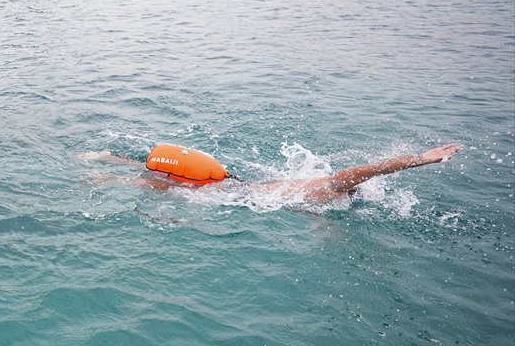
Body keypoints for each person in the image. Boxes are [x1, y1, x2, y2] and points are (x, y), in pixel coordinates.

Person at [80, 144, 462, 203]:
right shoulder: (323, 188)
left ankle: (110, 160)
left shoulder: (319, 198)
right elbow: (359, 171)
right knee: (170, 187)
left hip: (235, 185)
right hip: (238, 193)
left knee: (167, 181)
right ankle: (111, 172)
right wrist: (420, 159)